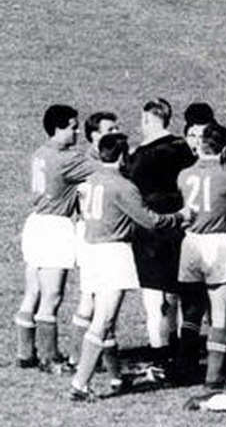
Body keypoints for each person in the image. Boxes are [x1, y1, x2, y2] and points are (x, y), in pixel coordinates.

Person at [70, 133, 192, 401]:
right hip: (114, 253)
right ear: (123, 157)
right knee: (104, 320)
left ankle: (116, 377)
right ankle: (80, 384)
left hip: (90, 250)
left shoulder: (89, 181)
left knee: (106, 322)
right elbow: (150, 221)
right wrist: (179, 217)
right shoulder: (123, 186)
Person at [15, 104, 96, 372]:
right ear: (58, 128)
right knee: (53, 295)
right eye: (72, 127)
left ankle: (25, 352)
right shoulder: (66, 159)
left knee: (33, 292)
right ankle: (49, 357)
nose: (76, 132)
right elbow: (103, 168)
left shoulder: (40, 153)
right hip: (55, 227)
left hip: (35, 223)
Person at [174, 123, 226, 387]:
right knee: (219, 314)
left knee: (191, 312)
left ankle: (184, 369)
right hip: (218, 244)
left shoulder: (184, 175)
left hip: (190, 245)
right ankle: (214, 376)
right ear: (225, 148)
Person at [124, 98, 196, 378]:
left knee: (155, 301)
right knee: (176, 293)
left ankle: (159, 361)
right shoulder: (183, 148)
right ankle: (181, 356)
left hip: (150, 235)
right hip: (181, 230)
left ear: (147, 120)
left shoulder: (140, 156)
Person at [71, 111, 120, 368]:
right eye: (110, 130)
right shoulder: (90, 163)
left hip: (96, 233)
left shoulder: (98, 160)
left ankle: (80, 357)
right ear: (95, 135)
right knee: (91, 298)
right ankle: (78, 358)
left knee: (94, 298)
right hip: (93, 234)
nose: (116, 133)